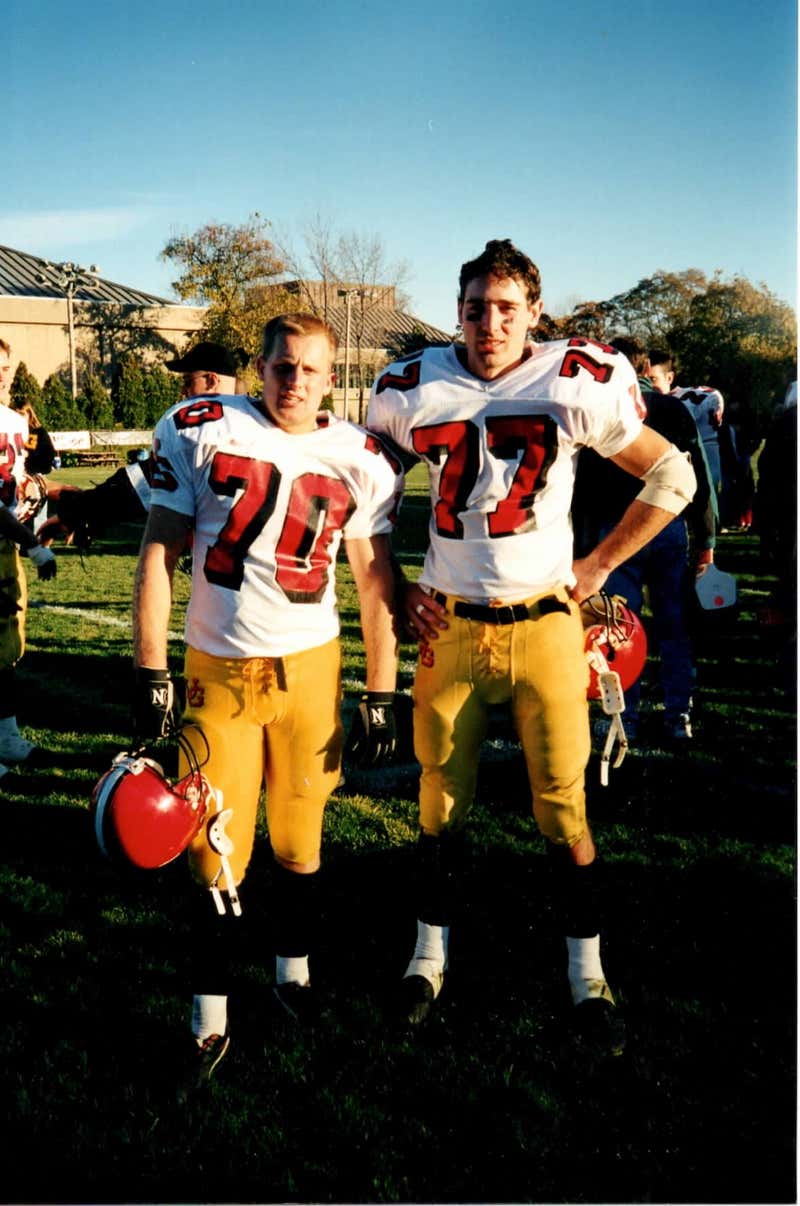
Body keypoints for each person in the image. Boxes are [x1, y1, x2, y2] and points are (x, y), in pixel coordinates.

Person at [367, 240, 696, 1053]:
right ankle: (428, 957)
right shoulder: (413, 385)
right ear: (458, 310)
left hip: (547, 623)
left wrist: (598, 566)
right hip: (451, 624)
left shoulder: (572, 377)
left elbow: (674, 478)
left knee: (563, 804)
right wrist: (395, 585)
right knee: (439, 802)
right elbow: (363, 502)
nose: (490, 323)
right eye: (477, 307)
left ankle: (587, 973)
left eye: (507, 308)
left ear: (534, 315)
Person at [132, 313, 402, 1092]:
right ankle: (208, 1017)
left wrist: (380, 691)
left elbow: (376, 582)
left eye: (311, 369)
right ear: (260, 366)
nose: (295, 381)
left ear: (330, 375)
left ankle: (294, 975)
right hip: (219, 666)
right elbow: (159, 551)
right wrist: (153, 669)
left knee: (300, 836)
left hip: (312, 669)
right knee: (214, 848)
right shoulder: (202, 426)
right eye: (283, 365)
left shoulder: (358, 457)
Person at [574, 337, 717, 743]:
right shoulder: (674, 407)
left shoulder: (600, 404)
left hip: (616, 529)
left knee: (617, 629)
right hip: (666, 525)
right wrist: (706, 536)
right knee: (673, 623)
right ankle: (679, 712)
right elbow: (699, 479)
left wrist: (584, 548)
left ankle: (624, 716)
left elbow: (581, 485)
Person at [42, 341, 247, 548]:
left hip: (221, 566)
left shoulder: (192, 425)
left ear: (211, 380)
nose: (183, 391)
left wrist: (75, 512)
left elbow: (139, 485)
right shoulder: (261, 421)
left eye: (188, 381)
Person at [0, 338, 57, 777]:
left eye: (6, 366)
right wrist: (34, 546)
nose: (2, 374)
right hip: (10, 538)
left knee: (6, 646)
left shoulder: (15, 421)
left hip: (5, 545)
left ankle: (6, 736)